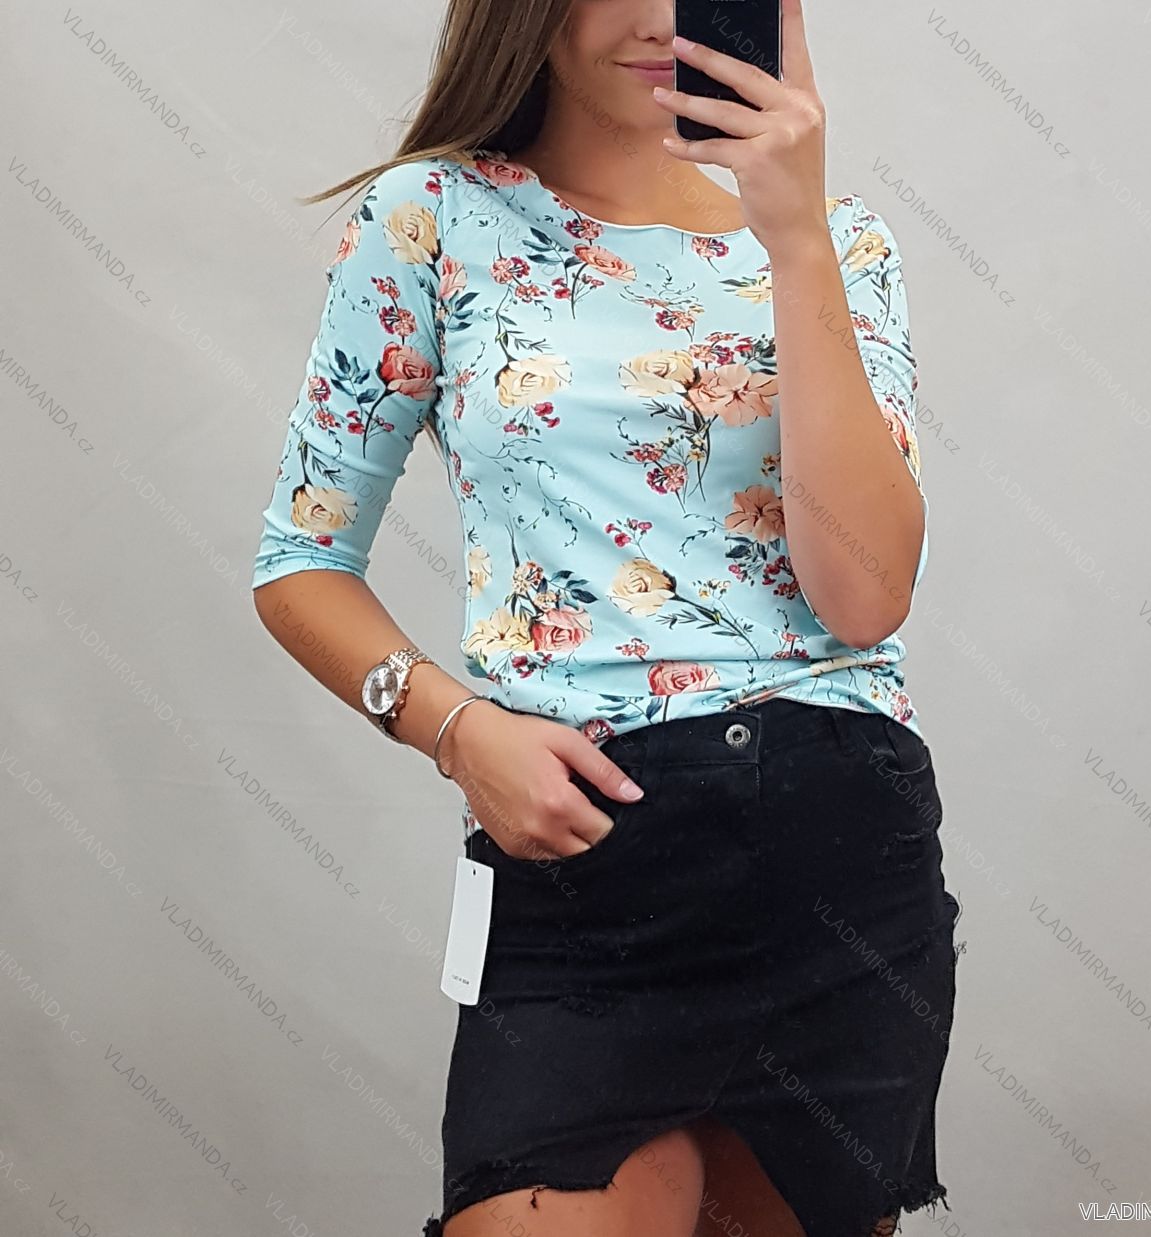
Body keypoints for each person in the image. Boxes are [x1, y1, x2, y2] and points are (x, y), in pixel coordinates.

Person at [251, 2, 962, 1234]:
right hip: (584, 866)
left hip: (835, 863)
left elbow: (863, 597)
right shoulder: (433, 217)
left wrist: (794, 234)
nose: (658, 15)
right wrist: (457, 730)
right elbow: (299, 562)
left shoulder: (841, 241)